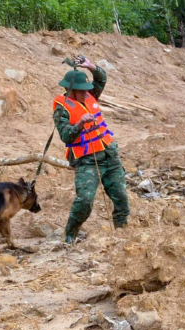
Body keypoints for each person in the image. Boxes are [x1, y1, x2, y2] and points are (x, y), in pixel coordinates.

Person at [53, 55, 130, 244]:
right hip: (87, 160)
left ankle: (121, 233)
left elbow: (101, 79)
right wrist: (79, 124)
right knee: (85, 200)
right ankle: (70, 235)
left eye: (86, 89)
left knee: (121, 197)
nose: (85, 93)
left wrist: (91, 66)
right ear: (69, 90)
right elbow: (66, 136)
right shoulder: (61, 109)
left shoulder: (90, 94)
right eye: (81, 90)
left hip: (109, 154)